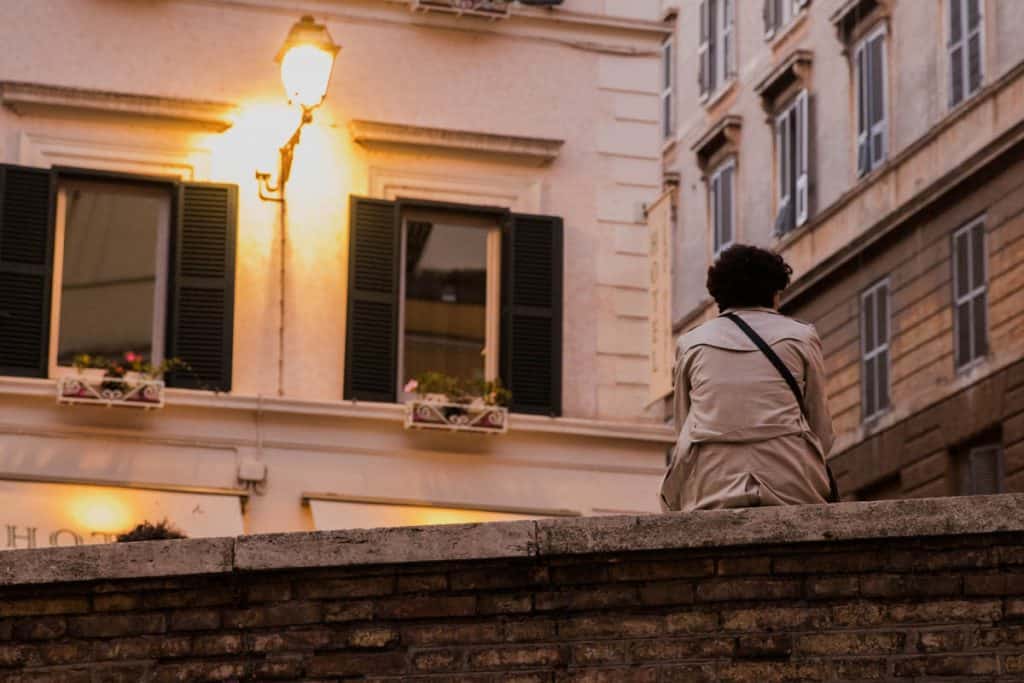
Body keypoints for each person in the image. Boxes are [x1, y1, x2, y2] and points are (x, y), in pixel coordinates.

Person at [660, 244, 835, 512]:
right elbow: (822, 431)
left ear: (718, 296)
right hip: (791, 478)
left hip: (711, 482)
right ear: (776, 294)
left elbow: (684, 425)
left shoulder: (691, 344)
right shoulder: (802, 337)